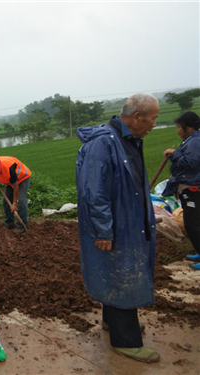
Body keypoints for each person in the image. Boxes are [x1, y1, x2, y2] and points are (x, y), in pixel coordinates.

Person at [76, 93, 160, 363]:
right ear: (137, 117)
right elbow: (95, 192)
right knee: (121, 271)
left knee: (115, 270)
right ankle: (126, 340)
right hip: (115, 223)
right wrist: (102, 230)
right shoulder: (104, 144)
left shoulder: (127, 140)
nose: (154, 124)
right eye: (153, 118)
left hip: (128, 219)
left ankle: (112, 321)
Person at [162, 111, 200, 270]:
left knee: (194, 224)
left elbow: (191, 162)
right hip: (187, 189)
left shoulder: (194, 141)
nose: (178, 130)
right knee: (192, 223)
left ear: (189, 127)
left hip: (193, 189)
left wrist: (174, 153)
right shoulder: (190, 140)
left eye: (179, 127)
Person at [0, 155, 31, 232]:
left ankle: (22, 226)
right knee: (6, 201)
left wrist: (14, 204)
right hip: (10, 181)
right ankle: (9, 223)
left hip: (22, 178)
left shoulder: (10, 169)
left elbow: (16, 188)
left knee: (21, 201)